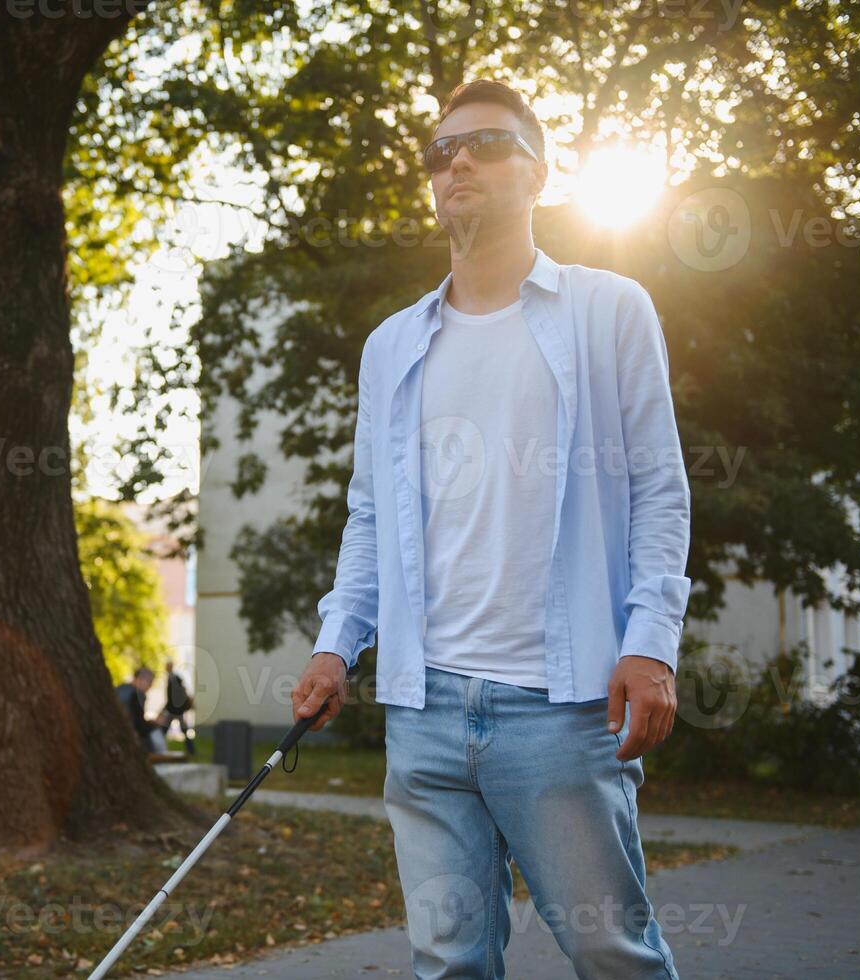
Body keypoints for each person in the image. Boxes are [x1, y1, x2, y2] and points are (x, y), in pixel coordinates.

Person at [291, 78, 690, 979]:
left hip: (562, 711)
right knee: (447, 962)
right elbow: (368, 514)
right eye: (440, 151)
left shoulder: (607, 309)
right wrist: (332, 645)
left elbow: (661, 488)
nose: (456, 160)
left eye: (486, 143)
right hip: (424, 709)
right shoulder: (391, 343)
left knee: (612, 953)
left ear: (538, 174)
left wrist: (651, 643)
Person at [115, 666, 166, 754]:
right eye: (150, 682)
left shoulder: (120, 689)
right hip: (127, 737)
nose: (150, 686)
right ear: (140, 679)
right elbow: (139, 725)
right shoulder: (137, 695)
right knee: (155, 733)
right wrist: (153, 724)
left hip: (117, 734)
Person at [160, 660, 196, 756]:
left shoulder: (173, 679)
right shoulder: (173, 678)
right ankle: (191, 750)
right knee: (167, 729)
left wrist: (165, 708)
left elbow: (172, 697)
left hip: (175, 709)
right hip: (176, 709)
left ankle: (191, 750)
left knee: (164, 729)